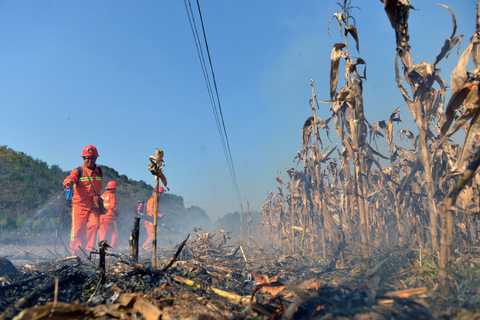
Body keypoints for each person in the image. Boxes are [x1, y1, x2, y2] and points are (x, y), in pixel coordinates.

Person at [63, 145, 104, 255]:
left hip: (93, 206)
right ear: (83, 158)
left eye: (93, 158)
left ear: (96, 158)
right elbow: (69, 179)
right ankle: (75, 253)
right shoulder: (78, 171)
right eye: (87, 158)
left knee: (94, 225)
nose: (90, 160)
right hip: (79, 206)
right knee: (77, 230)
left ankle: (89, 251)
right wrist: (68, 183)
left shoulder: (99, 172)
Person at [99, 181, 119, 250]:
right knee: (114, 233)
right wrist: (117, 212)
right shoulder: (112, 195)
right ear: (112, 188)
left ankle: (102, 250)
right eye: (115, 188)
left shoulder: (101, 196)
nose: (115, 190)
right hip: (110, 217)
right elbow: (113, 207)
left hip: (101, 217)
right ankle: (113, 249)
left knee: (103, 234)